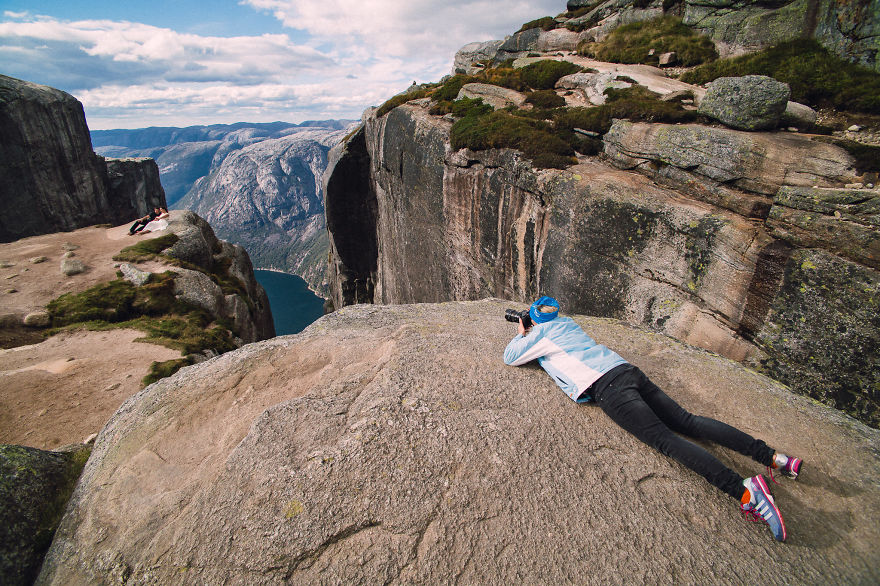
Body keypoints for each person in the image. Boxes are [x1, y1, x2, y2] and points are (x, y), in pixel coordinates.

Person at [503, 296, 803, 542]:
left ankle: (746, 491)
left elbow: (511, 356)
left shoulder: (541, 334)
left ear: (533, 320)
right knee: (688, 421)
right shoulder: (567, 324)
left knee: (667, 442)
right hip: (626, 370)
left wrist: (522, 333)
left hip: (608, 388)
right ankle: (775, 458)